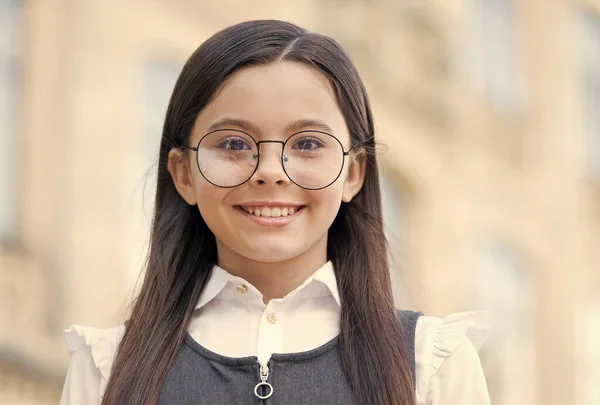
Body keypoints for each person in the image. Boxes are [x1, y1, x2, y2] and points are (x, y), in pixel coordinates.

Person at [59, 20, 490, 405]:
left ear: (353, 173)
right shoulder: (106, 369)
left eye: (307, 144)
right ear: (184, 174)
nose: (269, 172)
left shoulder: (432, 365)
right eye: (232, 144)